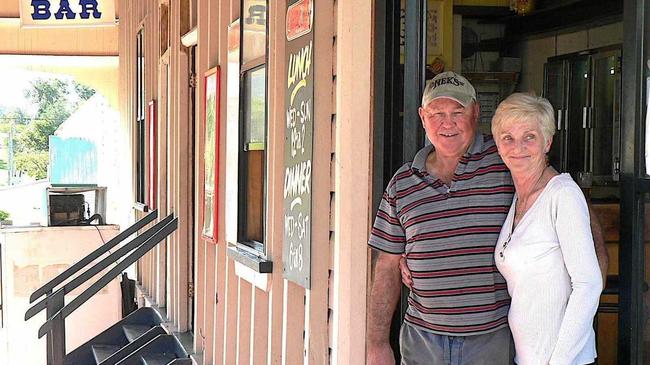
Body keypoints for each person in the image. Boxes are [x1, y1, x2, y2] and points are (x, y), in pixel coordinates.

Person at [367, 71, 608, 365]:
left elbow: (574, 216)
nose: (447, 123)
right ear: (422, 116)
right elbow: (386, 266)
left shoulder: (508, 158)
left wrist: (588, 293)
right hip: (423, 340)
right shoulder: (402, 183)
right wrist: (377, 343)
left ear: (476, 113)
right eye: (437, 113)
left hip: (491, 340)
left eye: (458, 112)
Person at [491, 93, 602, 364]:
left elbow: (589, 284)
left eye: (529, 136)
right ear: (497, 144)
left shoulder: (561, 194)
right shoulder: (520, 197)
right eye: (508, 138)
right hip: (528, 356)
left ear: (547, 141)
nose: (518, 147)